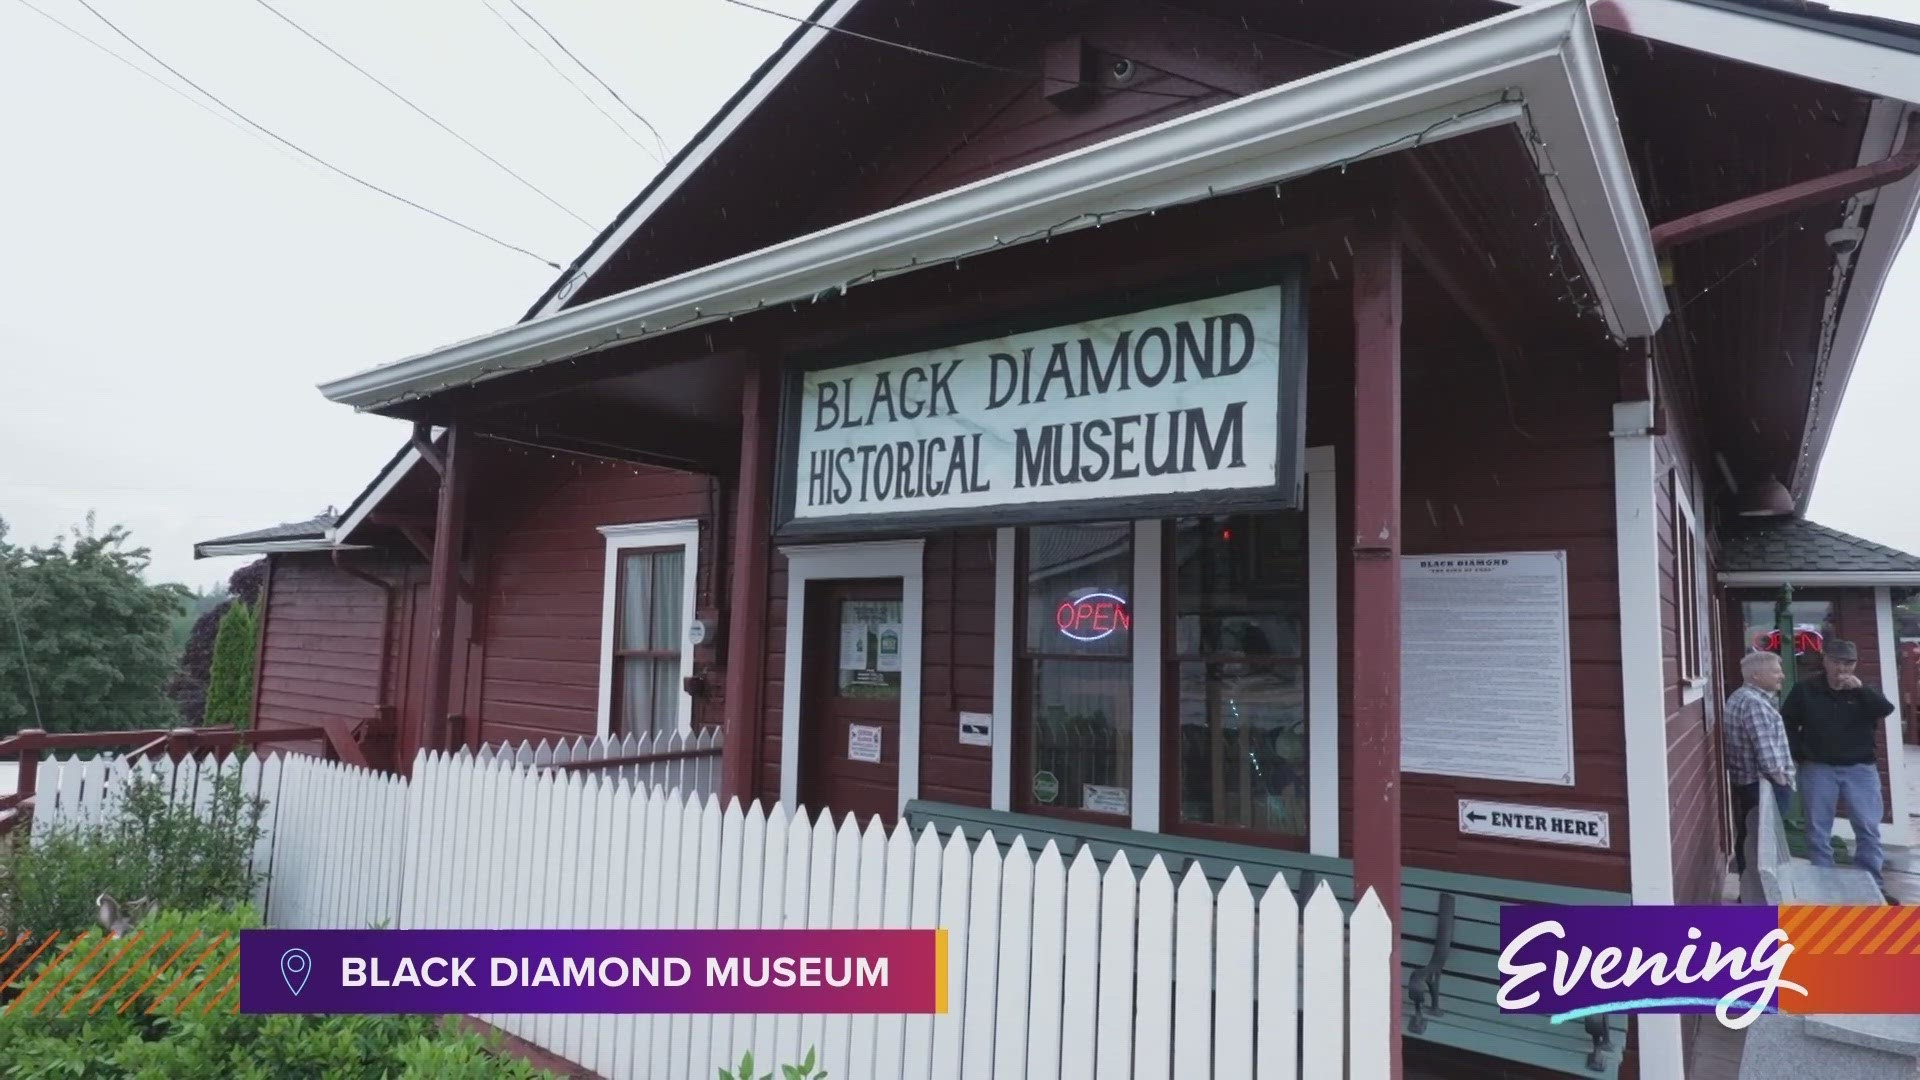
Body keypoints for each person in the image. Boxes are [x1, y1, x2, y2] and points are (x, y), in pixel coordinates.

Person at [1782, 639, 1897, 898]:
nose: (1842, 668)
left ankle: (1872, 885)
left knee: (1867, 826)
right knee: (1817, 829)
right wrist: (1799, 753)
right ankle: (1824, 885)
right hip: (1818, 767)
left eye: (1849, 663)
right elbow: (1786, 721)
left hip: (1860, 768)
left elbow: (1886, 709)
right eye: (1837, 662)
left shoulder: (1865, 690)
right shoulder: (1806, 689)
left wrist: (1861, 691)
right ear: (1825, 660)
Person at [1725, 650, 1795, 874]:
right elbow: (1766, 753)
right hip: (1763, 786)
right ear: (1756, 675)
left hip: (1749, 784)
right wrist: (1781, 780)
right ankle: (1758, 898)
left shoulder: (1739, 697)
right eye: (1776, 671)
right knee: (1763, 846)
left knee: (1750, 839)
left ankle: (1747, 894)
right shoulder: (1755, 704)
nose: (1781, 676)